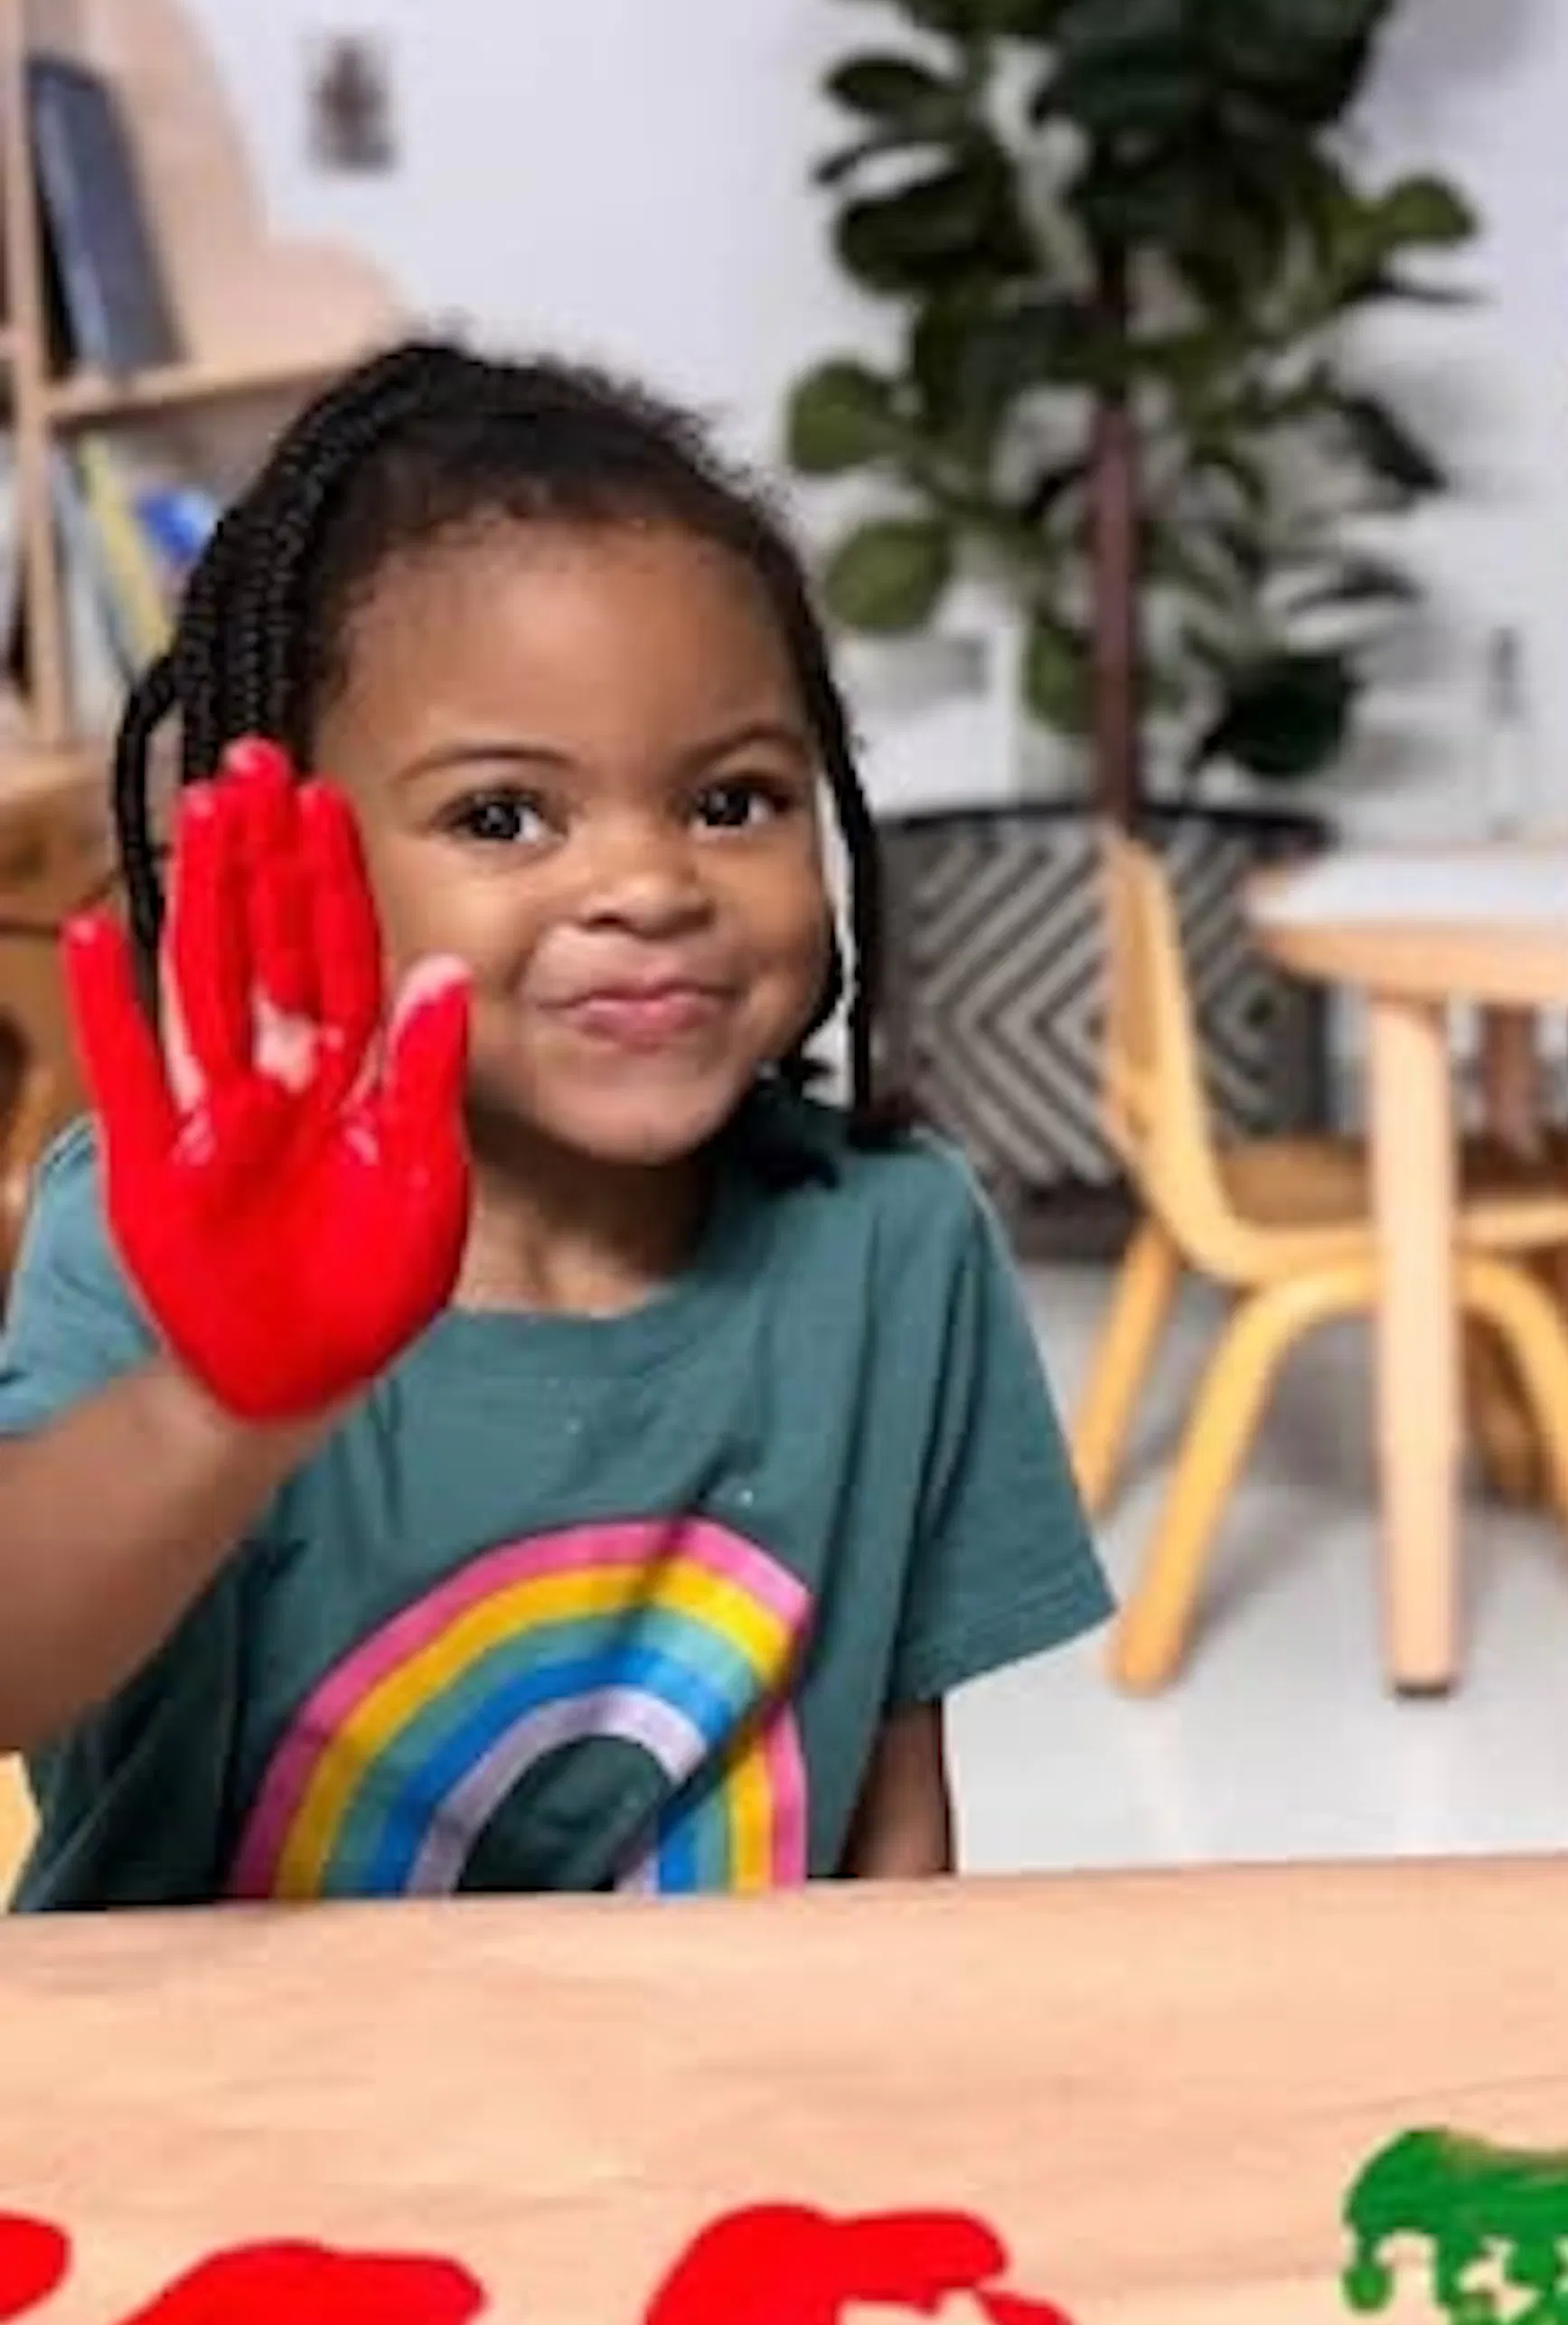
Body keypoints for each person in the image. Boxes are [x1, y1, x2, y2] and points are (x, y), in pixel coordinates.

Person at [0, 343, 1113, 1906]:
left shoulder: (896, 1245)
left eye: (731, 800)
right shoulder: (165, 1228)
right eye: (503, 816)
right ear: (300, 851)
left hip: (714, 2068)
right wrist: (217, 1407)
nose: (650, 887)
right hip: (220, 2064)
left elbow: (892, 1815)